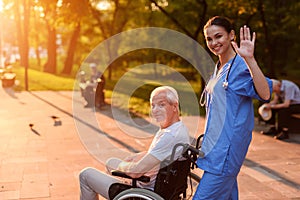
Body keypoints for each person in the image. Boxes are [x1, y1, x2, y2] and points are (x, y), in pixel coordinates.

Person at [194, 16, 272, 200]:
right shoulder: (219, 67)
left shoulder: (240, 66)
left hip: (226, 153)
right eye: (209, 39)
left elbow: (265, 94)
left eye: (218, 36)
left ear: (231, 35)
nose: (214, 43)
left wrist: (250, 59)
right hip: (215, 149)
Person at [79, 86, 190, 200]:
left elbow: (135, 173)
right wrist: (138, 157)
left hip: (146, 191)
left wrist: (126, 165)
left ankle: (120, 192)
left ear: (175, 106)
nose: (155, 110)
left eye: (162, 105)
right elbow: (160, 153)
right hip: (159, 182)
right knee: (110, 162)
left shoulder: (169, 136)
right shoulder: (178, 128)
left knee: (85, 175)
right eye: (153, 105)